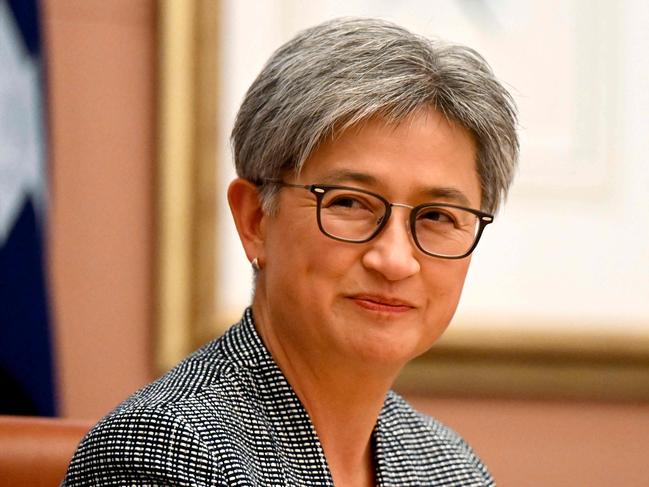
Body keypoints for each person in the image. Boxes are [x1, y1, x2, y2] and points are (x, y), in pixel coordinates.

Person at [63, 17, 518, 487]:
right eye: (349, 203)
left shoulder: (448, 467)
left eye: (438, 216)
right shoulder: (164, 450)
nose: (395, 260)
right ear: (255, 220)